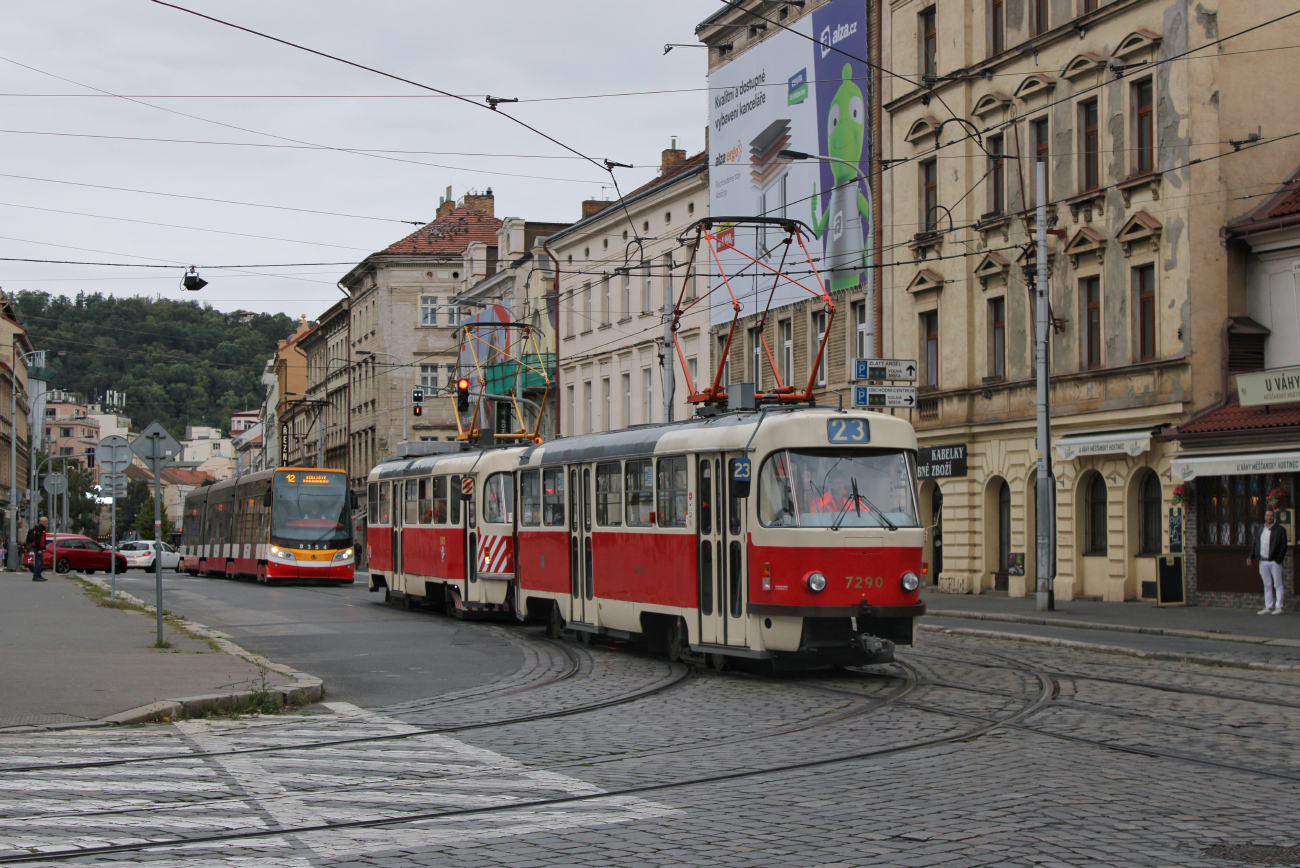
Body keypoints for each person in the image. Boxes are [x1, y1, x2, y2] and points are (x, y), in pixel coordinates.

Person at [1247, 508, 1288, 614]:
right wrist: (1250, 556)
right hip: (1263, 560)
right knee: (1267, 584)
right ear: (1265, 517)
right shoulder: (1260, 528)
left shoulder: (1280, 530)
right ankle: (1268, 606)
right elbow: (1255, 544)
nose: (1270, 517)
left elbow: (1284, 546)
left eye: (1271, 516)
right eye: (1268, 515)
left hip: (1274, 561)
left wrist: (1278, 559)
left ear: (1274, 517)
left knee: (1278, 584)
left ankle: (1279, 607)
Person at [26, 517, 49, 582]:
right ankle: (36, 576)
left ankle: (38, 575)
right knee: (38, 562)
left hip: (39, 547)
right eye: (45, 521)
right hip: (37, 547)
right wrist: (39, 548)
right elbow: (38, 539)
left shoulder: (42, 528)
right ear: (41, 521)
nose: (46, 523)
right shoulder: (39, 528)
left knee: (40, 562)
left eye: (46, 521)